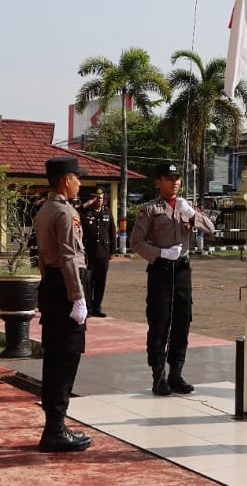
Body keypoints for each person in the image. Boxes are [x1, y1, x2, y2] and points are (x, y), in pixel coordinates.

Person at [131, 162, 215, 396]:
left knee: (182, 321)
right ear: (158, 181)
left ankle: (176, 374)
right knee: (159, 322)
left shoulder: (186, 206)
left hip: (182, 270)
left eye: (177, 178)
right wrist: (160, 253)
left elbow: (210, 229)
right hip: (161, 270)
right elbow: (136, 242)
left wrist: (192, 214)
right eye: (169, 178)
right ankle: (159, 376)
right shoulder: (149, 209)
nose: (175, 182)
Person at [31, 156, 91, 452]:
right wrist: (77, 298)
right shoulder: (65, 212)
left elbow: (43, 257)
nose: (80, 183)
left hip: (52, 286)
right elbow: (68, 257)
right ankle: (55, 430)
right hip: (66, 289)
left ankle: (55, 425)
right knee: (66, 358)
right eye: (77, 178)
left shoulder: (44, 209)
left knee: (54, 358)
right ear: (66, 180)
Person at [79, 188, 116, 317]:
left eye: (100, 198)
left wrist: (112, 251)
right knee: (88, 281)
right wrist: (87, 203)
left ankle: (97, 307)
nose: (98, 200)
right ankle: (88, 308)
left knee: (101, 282)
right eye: (95, 198)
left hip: (103, 252)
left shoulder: (107, 212)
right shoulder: (85, 212)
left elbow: (112, 232)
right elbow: (76, 212)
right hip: (89, 253)